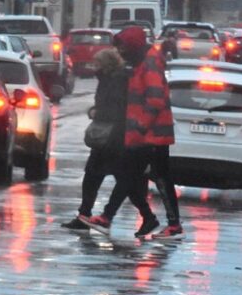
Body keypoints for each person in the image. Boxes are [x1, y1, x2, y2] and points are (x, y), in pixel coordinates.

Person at [83, 26, 184, 240]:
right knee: (132, 174)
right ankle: (118, 217)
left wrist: (140, 125)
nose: (121, 51)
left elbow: (155, 99)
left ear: (132, 46)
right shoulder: (142, 60)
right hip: (145, 133)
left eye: (123, 47)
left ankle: (171, 225)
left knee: (154, 177)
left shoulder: (149, 62)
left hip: (151, 133)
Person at [61, 48, 158, 234]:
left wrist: (98, 113)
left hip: (117, 137)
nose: (94, 66)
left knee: (121, 179)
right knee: (94, 175)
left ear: (108, 64)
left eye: (98, 63)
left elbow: (119, 109)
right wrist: (94, 111)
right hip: (106, 137)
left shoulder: (120, 80)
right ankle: (85, 215)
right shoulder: (105, 79)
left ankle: (142, 217)